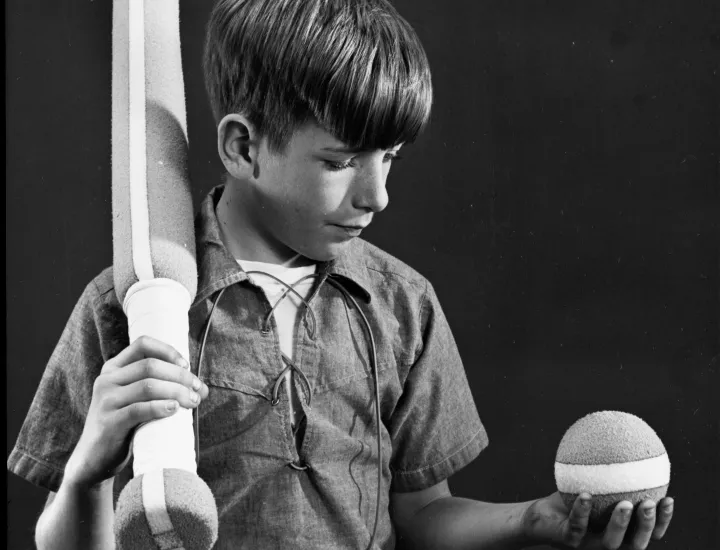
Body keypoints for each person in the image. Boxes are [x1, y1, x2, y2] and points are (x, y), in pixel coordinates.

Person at [8, 0, 674, 548]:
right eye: (340, 161)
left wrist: (534, 520)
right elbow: (64, 541)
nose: (377, 195)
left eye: (390, 158)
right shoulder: (127, 309)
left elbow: (421, 516)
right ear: (244, 146)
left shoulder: (403, 305)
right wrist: (86, 474)